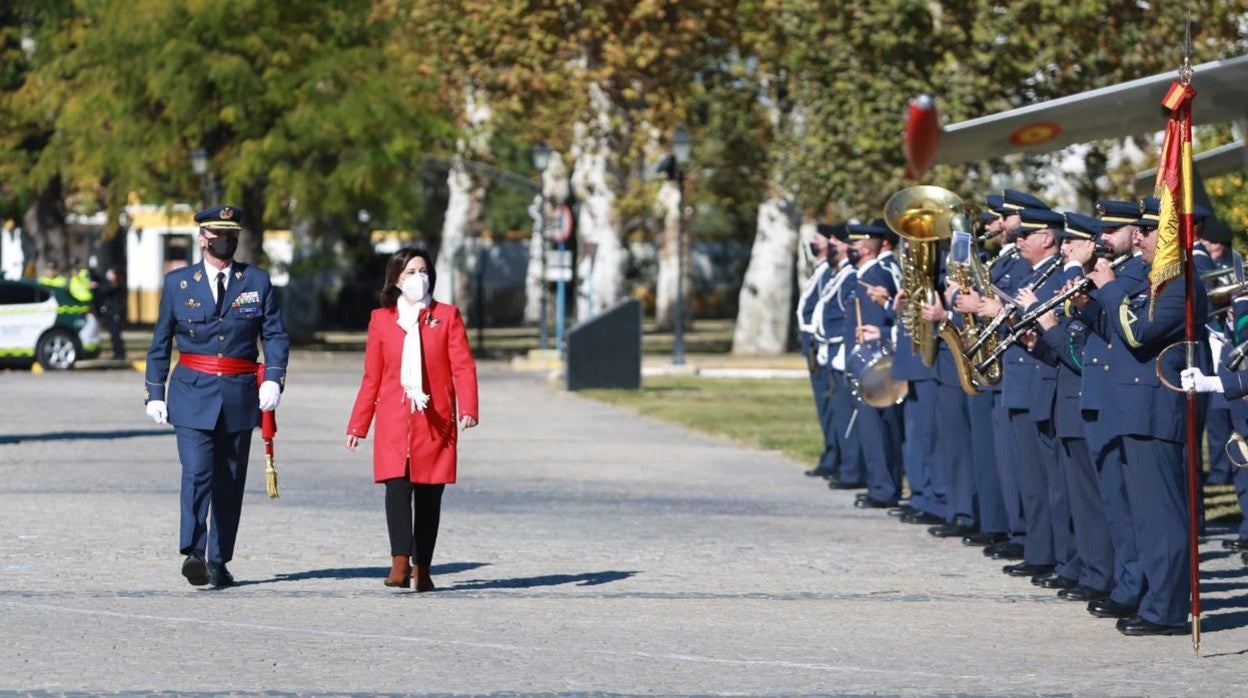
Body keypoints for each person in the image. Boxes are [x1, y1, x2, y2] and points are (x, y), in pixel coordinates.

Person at [144, 204, 289, 588]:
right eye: (217, 235)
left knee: (229, 479)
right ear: (202, 238)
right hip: (192, 391)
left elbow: (274, 334)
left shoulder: (256, 281)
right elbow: (160, 342)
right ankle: (193, 550)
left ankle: (219, 559)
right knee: (197, 471)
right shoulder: (179, 284)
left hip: (240, 393)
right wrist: (154, 392)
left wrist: (273, 378)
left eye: (231, 235)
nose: (224, 241)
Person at [346, 247, 479, 592]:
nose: (417, 278)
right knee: (396, 486)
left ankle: (424, 568)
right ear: (395, 279)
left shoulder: (446, 316)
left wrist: (468, 408)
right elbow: (372, 377)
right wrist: (358, 425)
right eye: (409, 272)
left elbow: (462, 365)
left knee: (429, 495)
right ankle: (399, 562)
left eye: (422, 271)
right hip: (394, 416)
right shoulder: (381, 319)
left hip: (434, 419)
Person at [95, 266, 126, 360]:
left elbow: (105, 289)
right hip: (111, 313)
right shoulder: (111, 284)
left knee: (116, 334)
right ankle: (117, 353)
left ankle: (120, 354)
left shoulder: (116, 284)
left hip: (115, 313)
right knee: (113, 335)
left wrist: (97, 286)